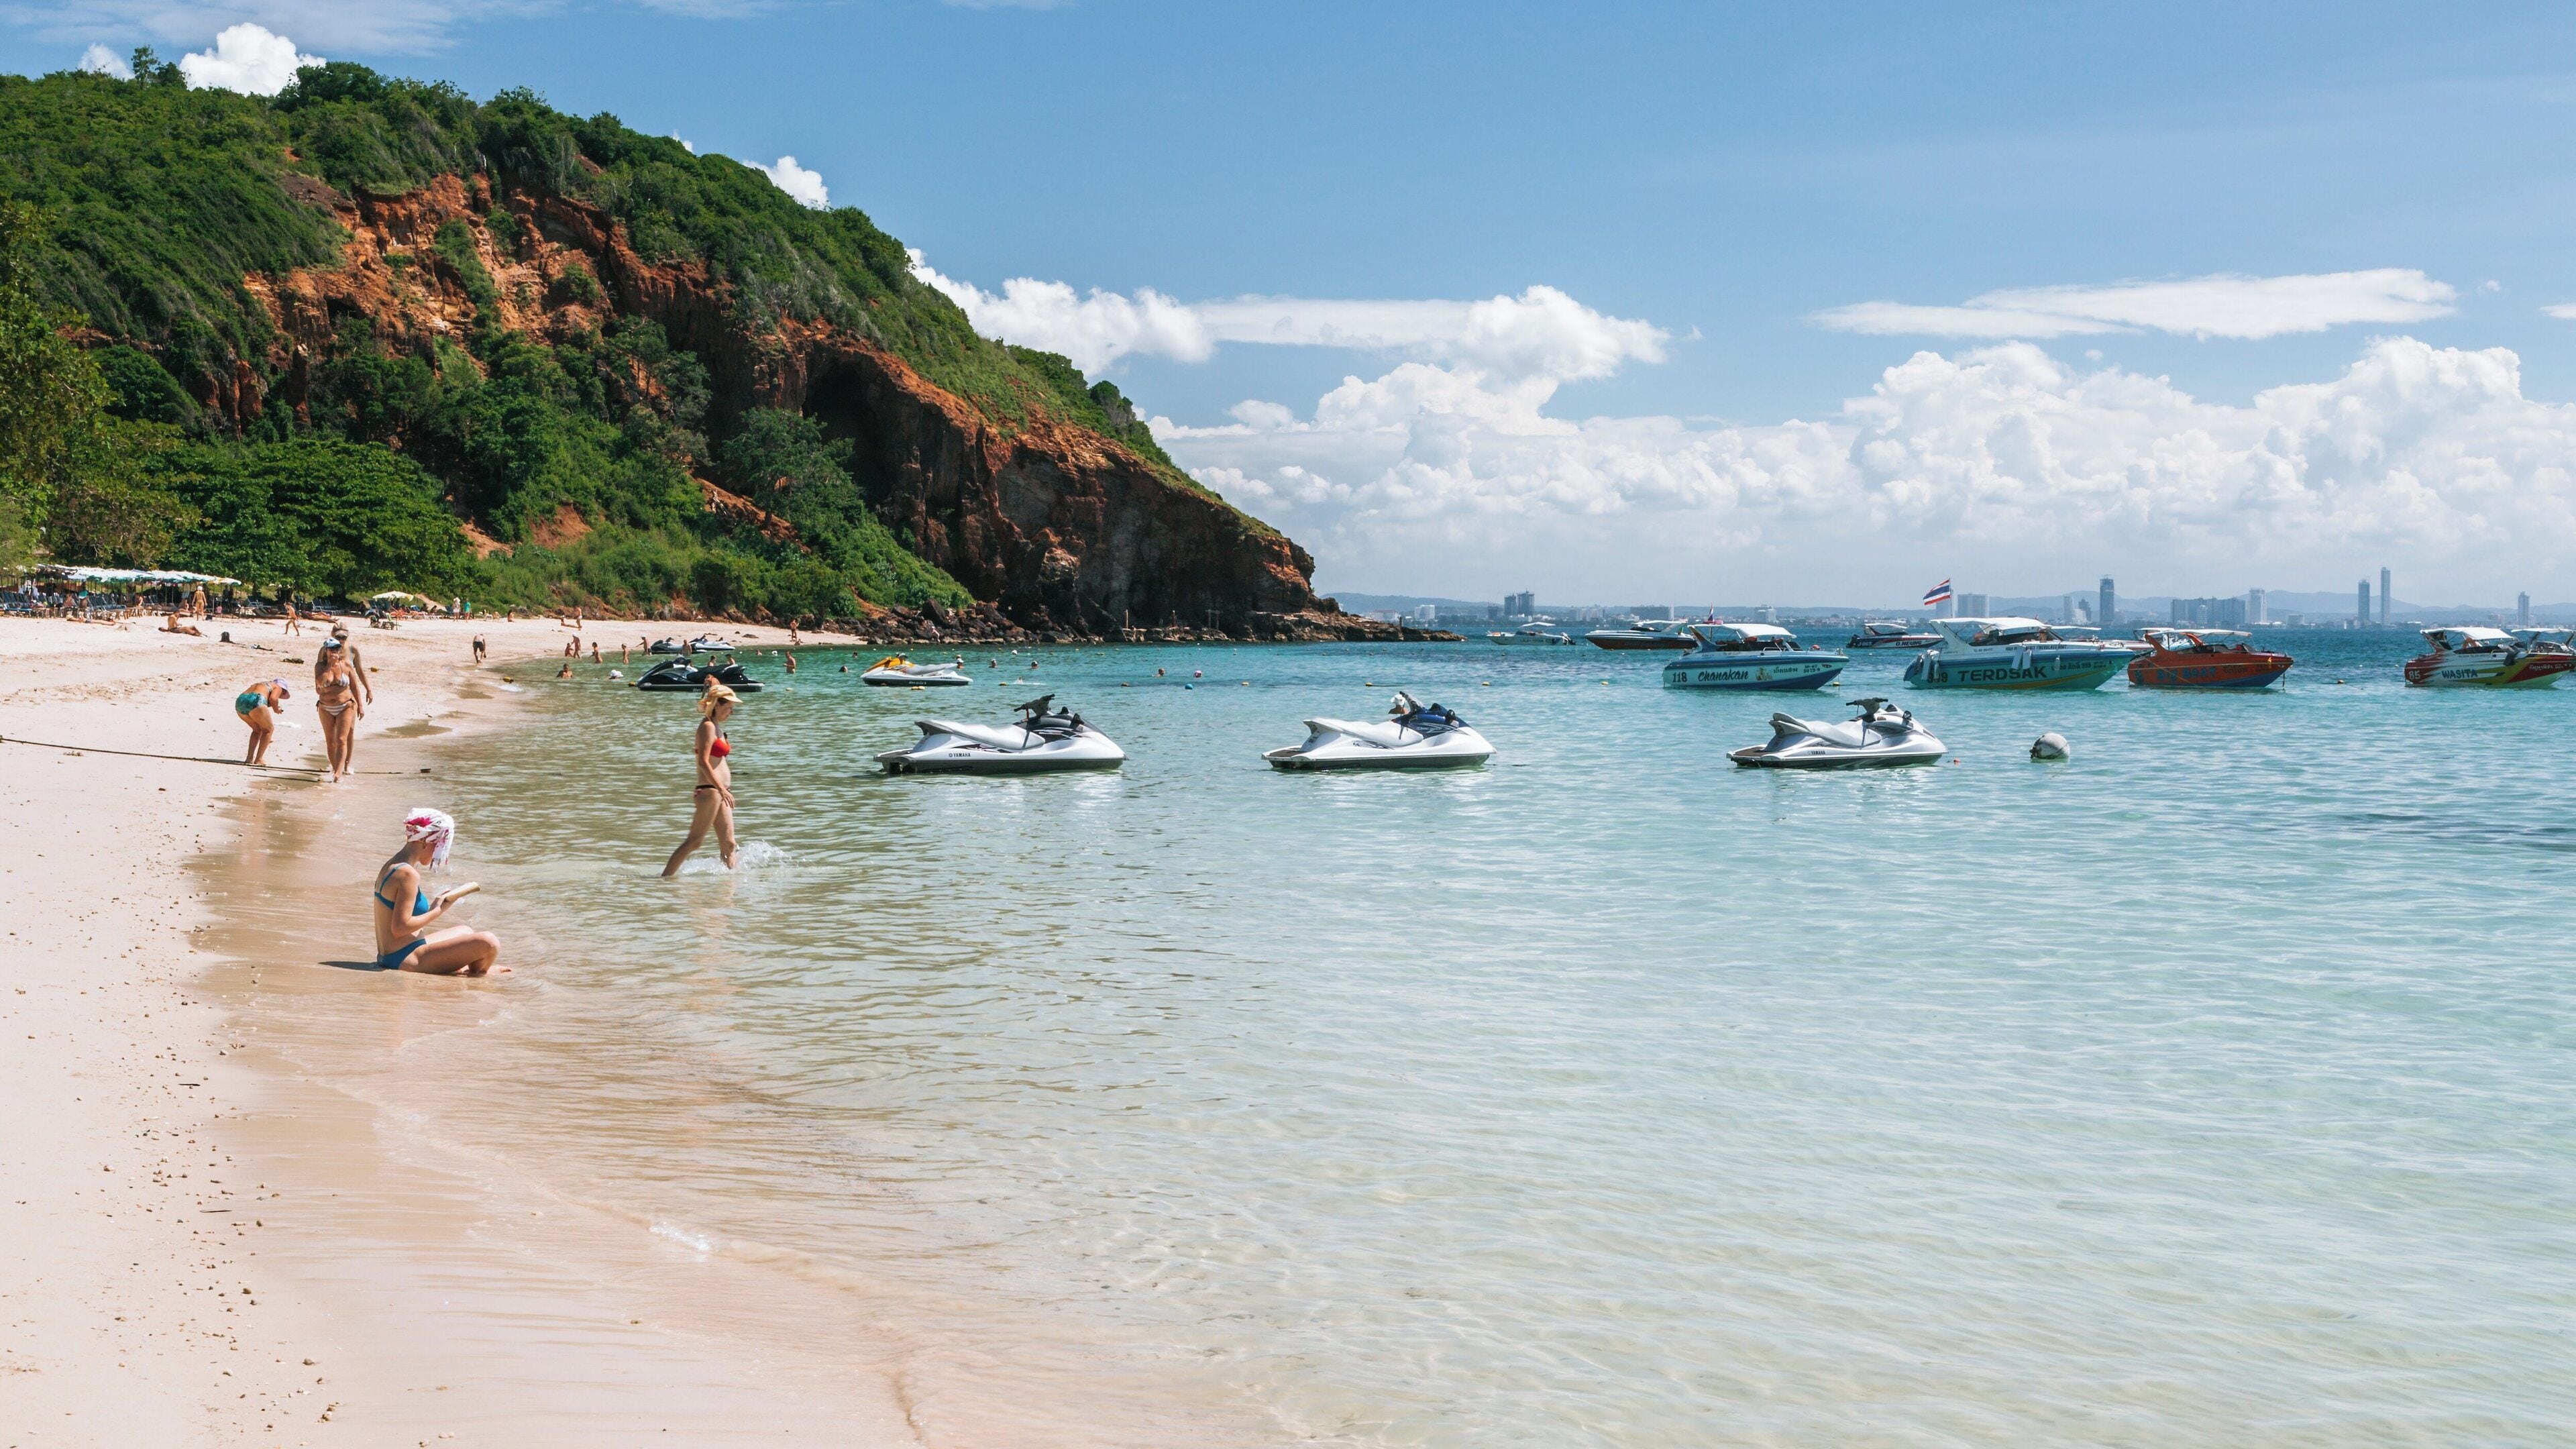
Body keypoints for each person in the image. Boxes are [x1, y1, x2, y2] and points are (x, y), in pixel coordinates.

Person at [372, 809, 503, 975]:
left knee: (465, 931)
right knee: (489, 942)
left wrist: (435, 906)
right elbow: (399, 928)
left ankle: (464, 968)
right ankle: (477, 974)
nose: (437, 855)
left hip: (395, 953)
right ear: (426, 841)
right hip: (405, 959)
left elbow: (397, 921)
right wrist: (438, 910)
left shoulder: (393, 865)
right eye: (439, 847)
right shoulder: (408, 874)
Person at [663, 681, 739, 877]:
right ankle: (664, 880)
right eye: (729, 708)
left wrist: (725, 790)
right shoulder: (707, 726)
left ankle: (731, 889)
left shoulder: (717, 727)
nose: (731, 712)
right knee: (695, 841)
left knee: (730, 844)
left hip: (721, 791)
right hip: (710, 791)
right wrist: (721, 789)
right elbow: (704, 763)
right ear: (717, 705)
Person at [313, 635, 362, 782]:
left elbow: (354, 686)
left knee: (341, 739)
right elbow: (320, 684)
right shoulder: (320, 667)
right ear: (326, 650)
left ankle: (339, 773)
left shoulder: (346, 665)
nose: (335, 651)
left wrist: (361, 706)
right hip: (325, 707)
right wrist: (330, 665)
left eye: (337, 648)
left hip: (346, 705)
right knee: (330, 741)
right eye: (331, 649)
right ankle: (335, 768)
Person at [235, 678, 289, 765]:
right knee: (268, 730)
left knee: (257, 730)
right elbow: (273, 699)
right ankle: (259, 759)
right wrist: (277, 709)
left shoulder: (261, 685)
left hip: (240, 701)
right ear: (283, 689)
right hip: (257, 699)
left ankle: (249, 758)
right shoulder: (278, 687)